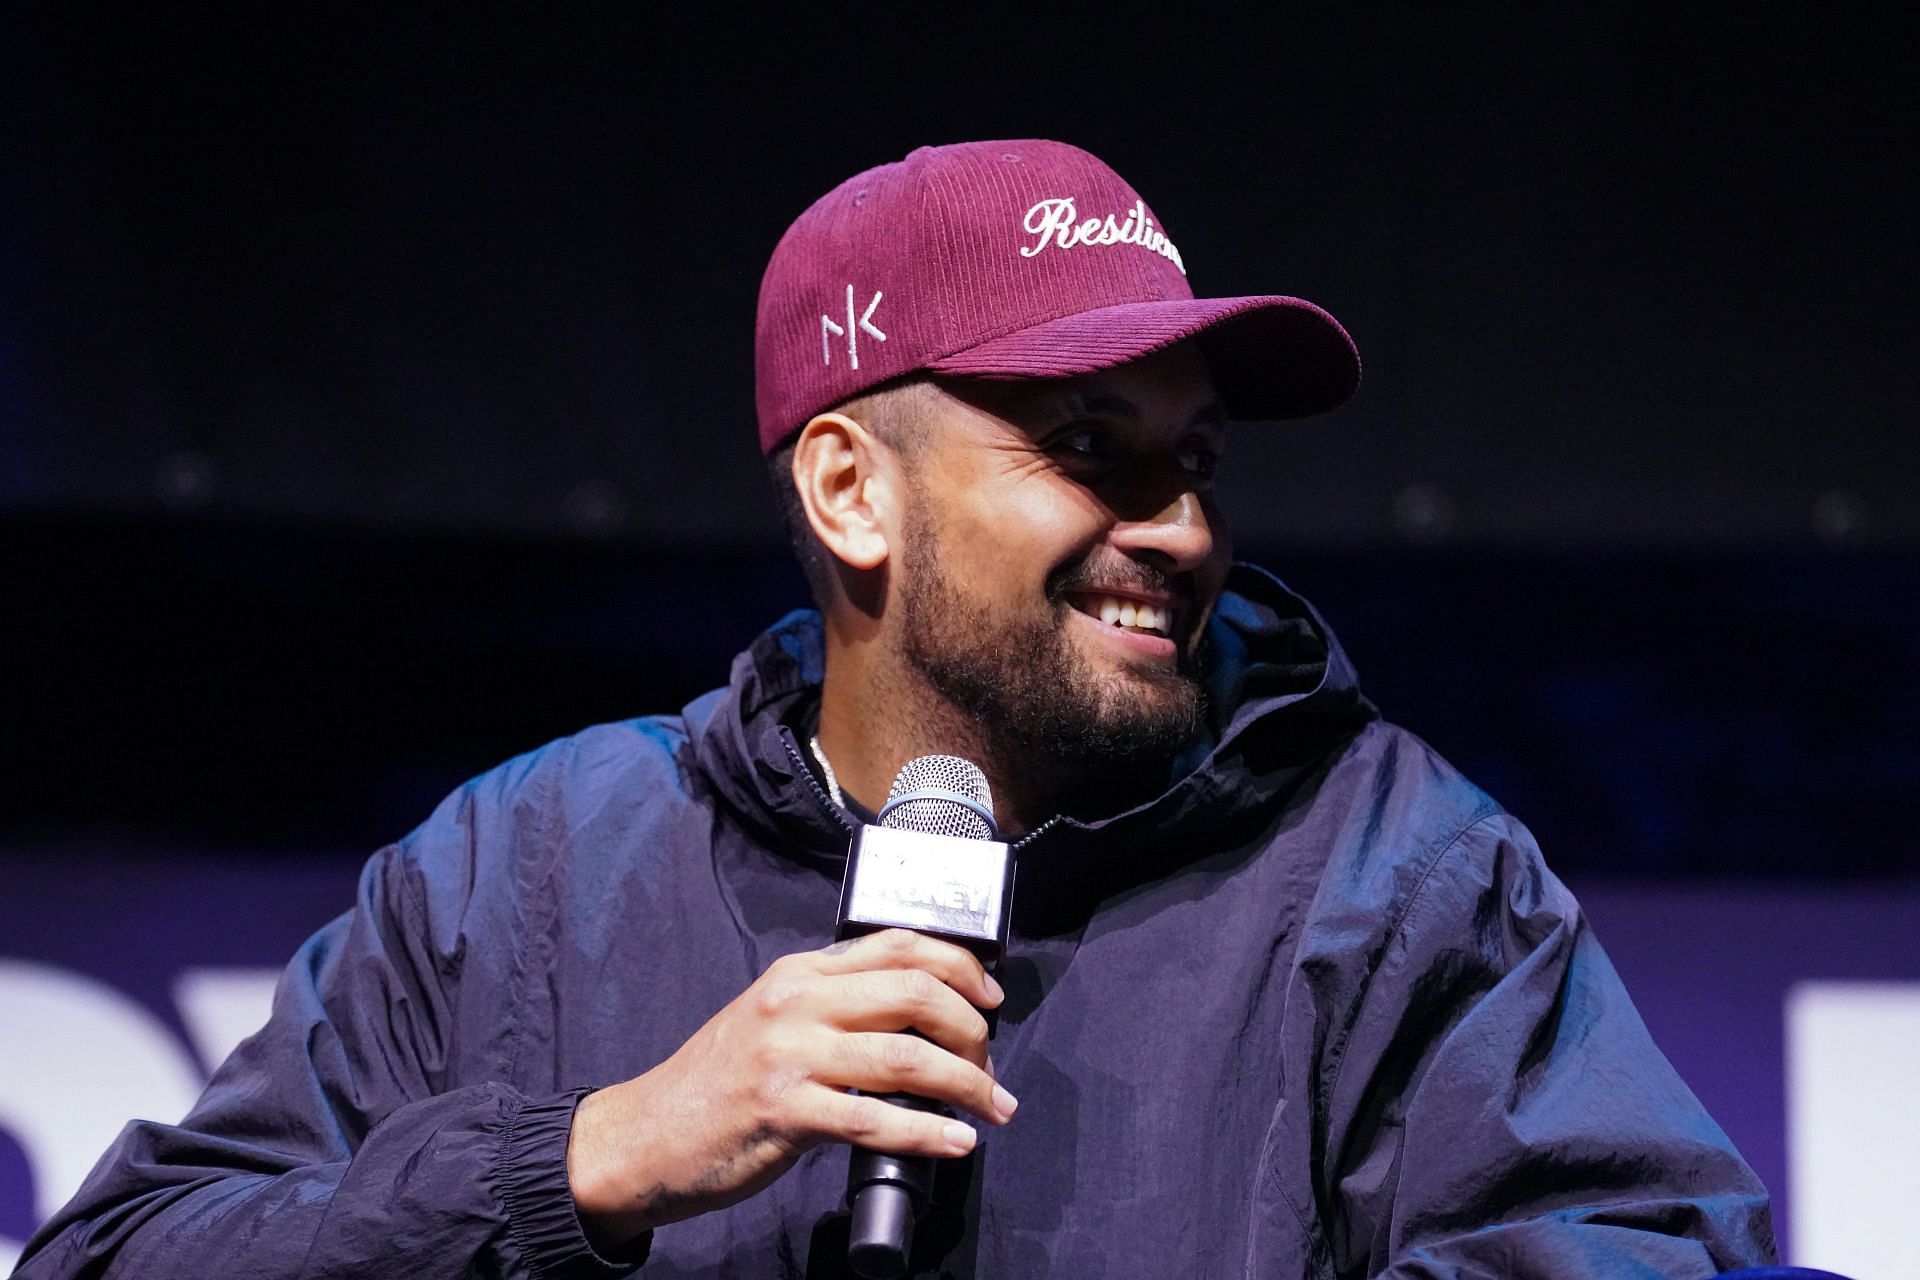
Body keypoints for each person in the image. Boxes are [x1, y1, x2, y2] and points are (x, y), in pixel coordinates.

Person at [18, 139, 1774, 1279]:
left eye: (1196, 462)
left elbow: (1649, 1250)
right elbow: (124, 1262)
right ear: (853, 492)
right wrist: (590, 1159)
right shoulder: (530, 872)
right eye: (1090, 450)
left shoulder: (1390, 865)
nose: (1178, 526)